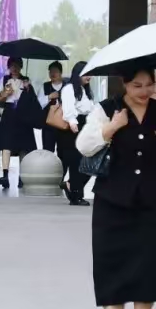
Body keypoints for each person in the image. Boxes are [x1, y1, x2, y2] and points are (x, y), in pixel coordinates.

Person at [77, 66, 156, 309]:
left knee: (148, 267)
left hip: (149, 201)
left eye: (149, 85)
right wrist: (111, 128)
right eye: (137, 85)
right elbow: (83, 145)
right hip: (111, 200)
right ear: (124, 84)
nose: (144, 91)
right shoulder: (107, 109)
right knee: (112, 266)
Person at [58, 61, 96, 206]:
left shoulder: (85, 90)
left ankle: (71, 185)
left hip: (85, 125)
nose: (89, 77)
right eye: (86, 74)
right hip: (74, 126)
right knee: (76, 162)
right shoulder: (69, 89)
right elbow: (68, 108)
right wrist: (73, 122)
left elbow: (90, 109)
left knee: (89, 161)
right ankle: (76, 194)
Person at [0, 57, 37, 189]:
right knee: (6, 145)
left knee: (23, 147)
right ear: (9, 67)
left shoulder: (26, 81)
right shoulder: (4, 80)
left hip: (23, 115)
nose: (14, 68)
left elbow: (32, 99)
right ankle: (5, 175)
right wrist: (5, 93)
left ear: (21, 67)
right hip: (9, 114)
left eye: (17, 66)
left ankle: (22, 177)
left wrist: (28, 89)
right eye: (12, 66)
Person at [39, 62, 65, 153]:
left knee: (63, 150)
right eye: (51, 71)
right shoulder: (44, 86)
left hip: (63, 124)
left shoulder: (67, 86)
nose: (53, 74)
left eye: (55, 71)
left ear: (61, 72)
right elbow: (39, 104)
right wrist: (49, 97)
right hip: (48, 125)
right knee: (47, 151)